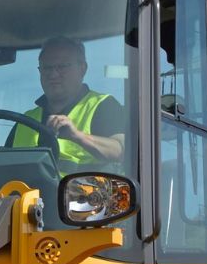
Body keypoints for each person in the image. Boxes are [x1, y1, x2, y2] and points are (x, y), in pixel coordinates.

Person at [10, 36, 125, 171]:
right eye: (47, 68)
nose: (53, 74)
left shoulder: (103, 105)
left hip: (85, 192)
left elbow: (121, 151)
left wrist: (77, 136)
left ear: (83, 69)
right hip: (26, 191)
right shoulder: (25, 121)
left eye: (62, 66)